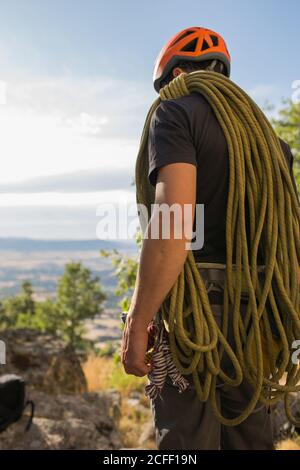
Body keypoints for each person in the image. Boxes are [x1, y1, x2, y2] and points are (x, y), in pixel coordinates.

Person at [121, 27, 299, 450]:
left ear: (177, 73)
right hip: (255, 322)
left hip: (192, 320)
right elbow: (288, 237)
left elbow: (171, 224)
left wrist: (138, 319)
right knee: (251, 439)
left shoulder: (175, 113)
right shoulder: (271, 144)